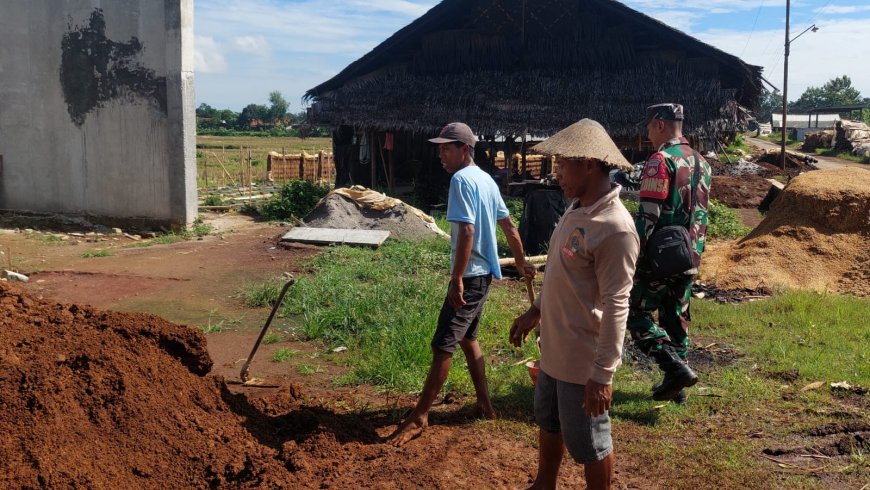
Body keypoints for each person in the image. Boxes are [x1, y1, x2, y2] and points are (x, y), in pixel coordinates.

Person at [509, 119, 639, 490]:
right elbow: (560, 273)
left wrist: (603, 373)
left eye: (563, 163)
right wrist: (536, 312)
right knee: (548, 421)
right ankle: (544, 483)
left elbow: (617, 303)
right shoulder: (576, 209)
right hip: (554, 349)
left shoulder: (614, 227)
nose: (557, 172)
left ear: (589, 163)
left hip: (583, 360)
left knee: (589, 443)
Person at [388, 122, 535, 447]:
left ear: (464, 149)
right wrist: (521, 262)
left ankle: (420, 416)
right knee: (468, 338)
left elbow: (467, 232)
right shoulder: (486, 180)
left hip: (469, 277)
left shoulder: (461, 180)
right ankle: (484, 405)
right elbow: (509, 226)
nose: (440, 154)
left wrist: (456, 278)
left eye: (446, 148)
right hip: (482, 276)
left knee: (443, 345)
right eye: (439, 148)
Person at [628, 103, 712, 403]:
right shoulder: (702, 162)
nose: (648, 133)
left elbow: (649, 215)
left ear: (660, 124)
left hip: (660, 256)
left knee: (635, 312)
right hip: (691, 254)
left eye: (649, 127)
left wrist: (633, 252)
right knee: (676, 317)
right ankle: (677, 389)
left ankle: (672, 367)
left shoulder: (660, 161)